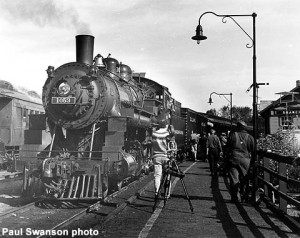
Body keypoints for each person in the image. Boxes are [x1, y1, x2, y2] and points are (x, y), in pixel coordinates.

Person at [226, 120, 254, 202]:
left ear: (237, 127)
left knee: (234, 179)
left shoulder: (232, 135)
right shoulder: (250, 137)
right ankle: (244, 195)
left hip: (233, 159)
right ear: (245, 128)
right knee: (245, 179)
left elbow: (228, 148)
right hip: (245, 160)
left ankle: (236, 198)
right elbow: (253, 150)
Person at [151, 123, 173, 200]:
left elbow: (152, 145)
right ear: (165, 126)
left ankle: (156, 193)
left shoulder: (154, 134)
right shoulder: (167, 134)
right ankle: (167, 194)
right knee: (168, 175)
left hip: (156, 157)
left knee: (157, 176)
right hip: (165, 157)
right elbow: (170, 146)